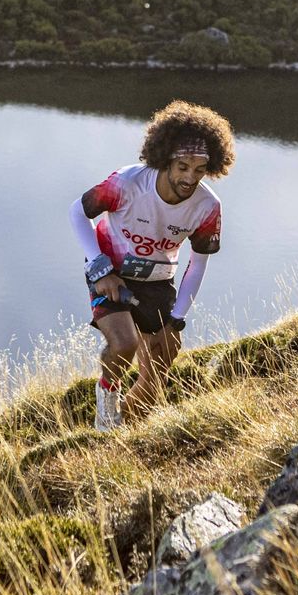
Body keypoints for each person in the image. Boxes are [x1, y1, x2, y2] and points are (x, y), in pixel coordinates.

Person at [70, 100, 234, 431]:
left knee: (162, 361)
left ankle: (127, 428)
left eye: (200, 169)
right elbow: (78, 211)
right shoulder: (127, 183)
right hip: (111, 274)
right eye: (183, 166)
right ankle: (106, 415)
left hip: (158, 282)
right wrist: (100, 268)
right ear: (165, 158)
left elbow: (197, 265)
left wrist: (177, 320)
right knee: (124, 344)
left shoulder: (207, 207)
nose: (190, 178)